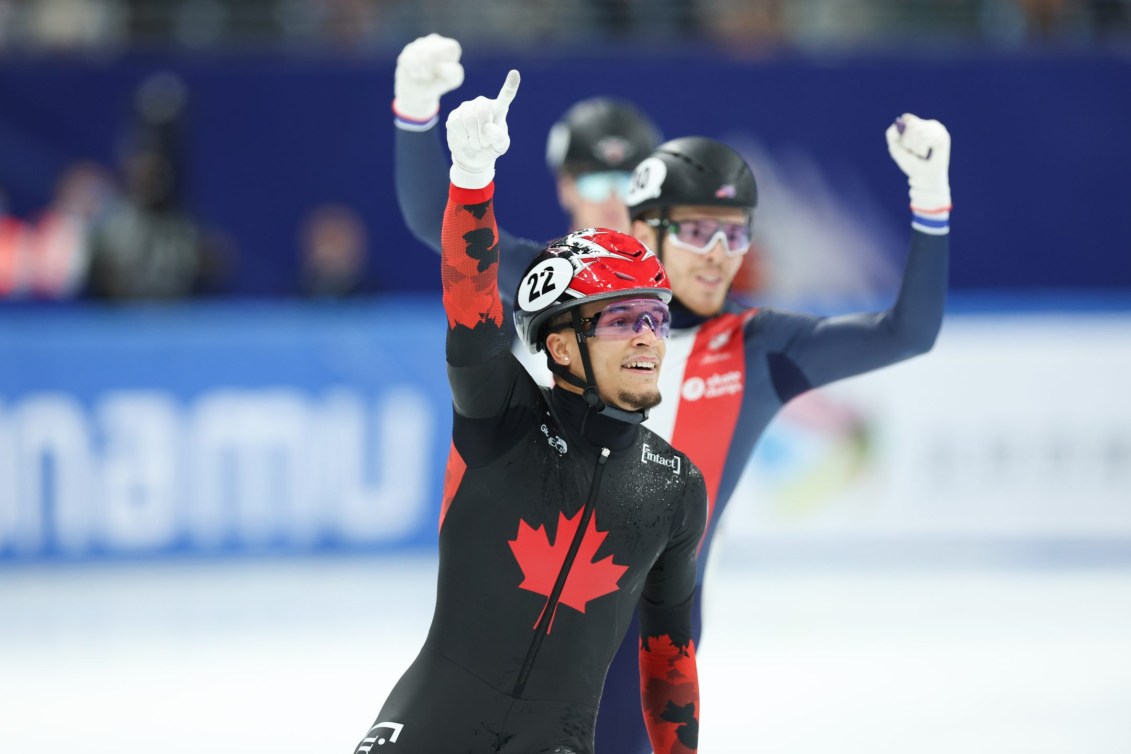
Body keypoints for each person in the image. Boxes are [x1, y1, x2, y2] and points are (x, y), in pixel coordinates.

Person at [391, 37, 951, 754]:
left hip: (632, 646)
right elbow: (435, 232)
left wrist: (930, 200)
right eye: (695, 231)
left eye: (734, 235)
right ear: (643, 227)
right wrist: (418, 112)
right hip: (503, 615)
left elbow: (907, 333)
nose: (717, 253)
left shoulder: (758, 347)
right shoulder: (566, 290)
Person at [355, 71, 708, 754]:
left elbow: (669, 658)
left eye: (654, 320)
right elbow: (471, 314)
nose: (645, 337)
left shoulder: (674, 487)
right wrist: (471, 176)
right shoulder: (505, 418)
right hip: (433, 721)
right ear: (559, 348)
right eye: (618, 321)